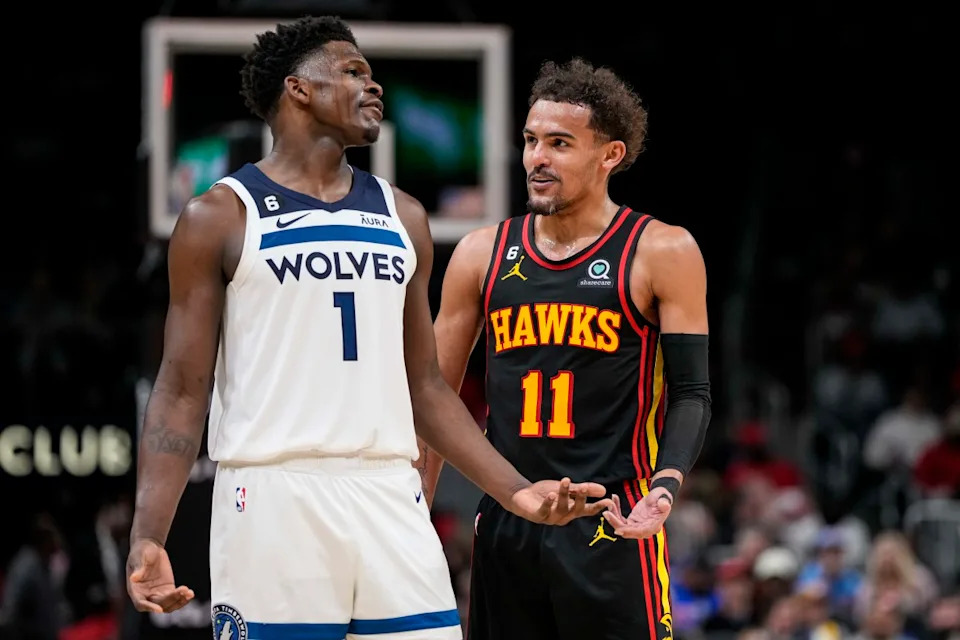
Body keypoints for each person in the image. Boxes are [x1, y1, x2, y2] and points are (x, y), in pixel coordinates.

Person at [124, 17, 611, 640]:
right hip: (274, 494)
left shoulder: (402, 214)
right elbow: (182, 388)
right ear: (298, 89)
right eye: (354, 72)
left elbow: (427, 386)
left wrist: (518, 493)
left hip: (388, 490)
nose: (373, 86)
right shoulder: (219, 215)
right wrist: (148, 534)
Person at [425, 58, 712, 640]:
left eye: (559, 143)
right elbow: (433, 396)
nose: (537, 158)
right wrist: (413, 510)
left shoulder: (662, 250)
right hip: (510, 514)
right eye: (531, 141)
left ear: (609, 154)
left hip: (613, 518)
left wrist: (667, 484)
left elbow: (692, 391)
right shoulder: (482, 253)